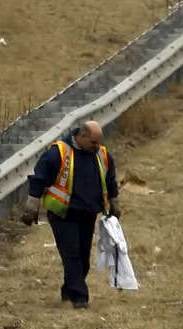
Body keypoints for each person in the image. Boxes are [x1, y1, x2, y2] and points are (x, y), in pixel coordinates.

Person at [24, 120, 120, 309]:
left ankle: (69, 290)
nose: (97, 146)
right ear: (81, 136)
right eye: (93, 142)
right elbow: (39, 179)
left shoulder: (102, 155)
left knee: (83, 256)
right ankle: (80, 297)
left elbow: (110, 180)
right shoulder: (58, 153)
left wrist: (115, 203)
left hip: (88, 212)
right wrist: (31, 206)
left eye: (99, 142)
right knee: (72, 254)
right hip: (63, 214)